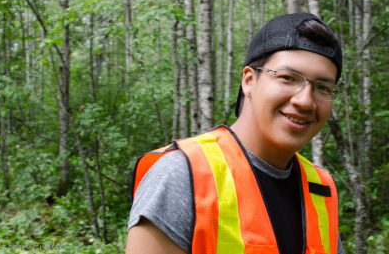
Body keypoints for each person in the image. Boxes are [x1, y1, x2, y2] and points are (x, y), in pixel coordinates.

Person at [126, 13, 345, 254]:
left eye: (322, 87)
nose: (305, 101)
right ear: (249, 80)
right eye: (287, 78)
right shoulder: (183, 174)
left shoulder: (320, 187)